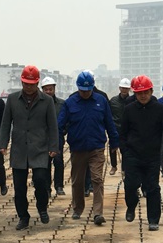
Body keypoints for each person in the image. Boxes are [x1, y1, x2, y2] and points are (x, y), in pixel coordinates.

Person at [0, 65, 59, 231]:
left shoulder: (46, 101)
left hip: (40, 148)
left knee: (40, 180)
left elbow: (52, 126)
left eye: (32, 84)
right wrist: (3, 144)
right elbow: (5, 123)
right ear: (21, 82)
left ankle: (42, 207)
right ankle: (23, 216)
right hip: (19, 148)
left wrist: (54, 146)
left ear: (37, 83)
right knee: (19, 187)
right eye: (26, 84)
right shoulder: (12, 99)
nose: (29, 87)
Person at [58, 71, 119, 224]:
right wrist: (56, 144)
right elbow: (59, 125)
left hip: (96, 147)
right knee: (77, 181)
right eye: (82, 90)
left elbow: (109, 123)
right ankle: (78, 208)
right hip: (77, 148)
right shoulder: (70, 102)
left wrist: (114, 142)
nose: (85, 93)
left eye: (88, 90)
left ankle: (98, 213)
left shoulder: (101, 101)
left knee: (97, 179)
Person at [120, 75, 163, 231]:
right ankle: (131, 206)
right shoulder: (129, 110)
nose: (143, 96)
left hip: (152, 155)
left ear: (151, 91)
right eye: (139, 93)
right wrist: (124, 151)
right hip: (133, 155)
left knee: (152, 187)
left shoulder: (160, 109)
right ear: (135, 93)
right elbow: (123, 134)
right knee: (130, 185)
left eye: (146, 92)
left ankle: (153, 219)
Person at [40, 76, 66, 196]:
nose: (48, 91)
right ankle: (47, 188)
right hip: (43, 139)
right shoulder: (38, 104)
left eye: (50, 89)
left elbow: (67, 120)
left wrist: (63, 131)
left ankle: (59, 186)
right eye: (46, 89)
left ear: (54, 89)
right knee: (45, 164)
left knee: (58, 162)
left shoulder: (61, 104)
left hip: (57, 138)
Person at [108, 78, 131, 175]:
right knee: (112, 148)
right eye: (122, 88)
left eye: (126, 88)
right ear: (119, 88)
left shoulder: (132, 101)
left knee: (125, 149)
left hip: (127, 129)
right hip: (115, 128)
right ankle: (113, 166)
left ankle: (124, 169)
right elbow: (108, 114)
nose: (124, 90)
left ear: (129, 89)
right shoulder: (113, 101)